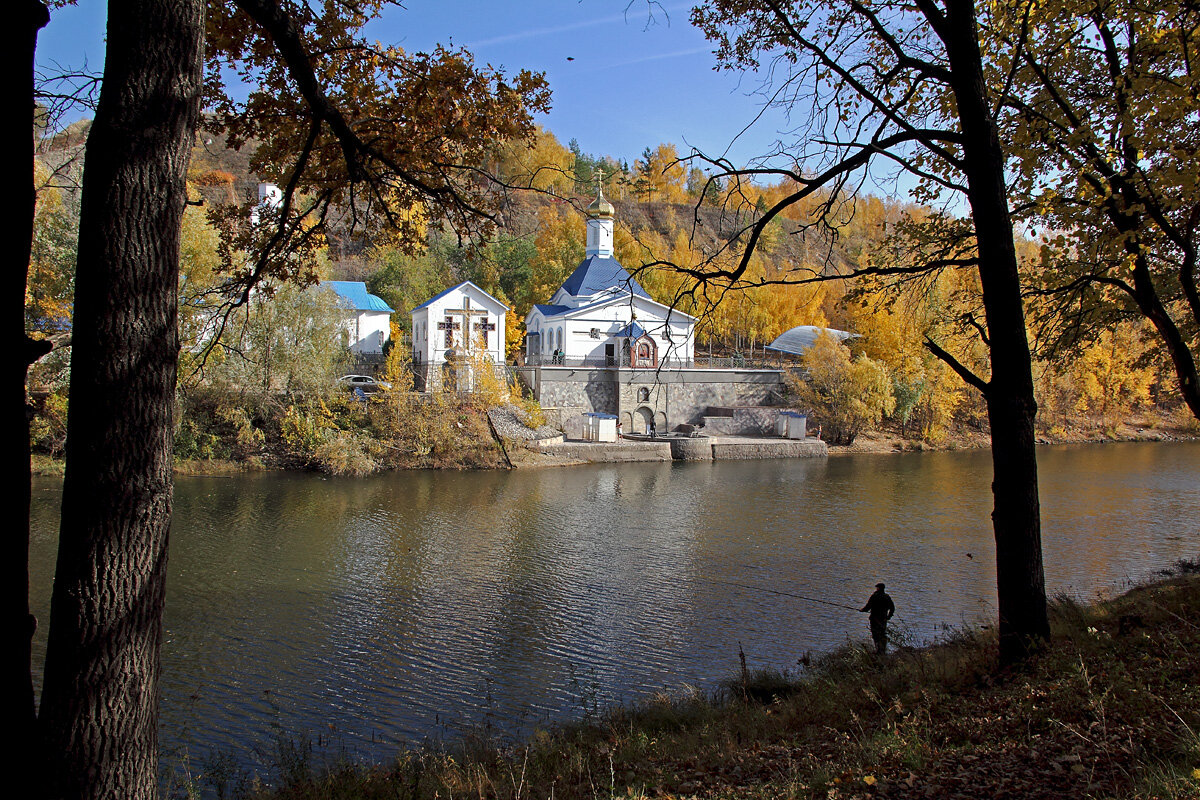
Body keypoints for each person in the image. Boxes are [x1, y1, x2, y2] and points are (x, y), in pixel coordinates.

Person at [859, 582, 895, 654]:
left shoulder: (874, 596)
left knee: (875, 634)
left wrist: (862, 610)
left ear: (878, 588)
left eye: (877, 587)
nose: (876, 589)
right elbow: (892, 608)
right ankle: (883, 650)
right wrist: (888, 616)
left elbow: (868, 607)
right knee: (882, 633)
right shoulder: (887, 597)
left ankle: (878, 650)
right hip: (883, 619)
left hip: (874, 619)